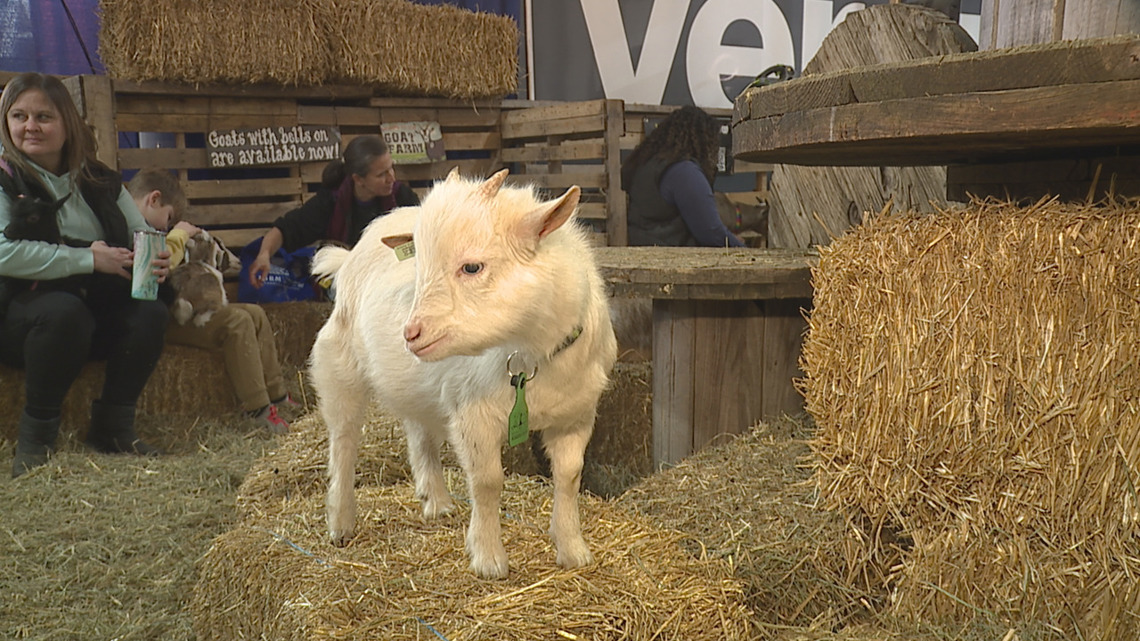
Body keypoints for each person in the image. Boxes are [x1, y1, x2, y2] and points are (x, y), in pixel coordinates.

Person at [0, 73, 171, 477]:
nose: (30, 126)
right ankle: (36, 439)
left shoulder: (99, 179)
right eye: (19, 115)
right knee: (63, 311)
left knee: (151, 312)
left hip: (90, 312)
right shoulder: (4, 177)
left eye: (44, 116)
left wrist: (158, 262)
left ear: (68, 124)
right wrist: (86, 258)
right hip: (19, 315)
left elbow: (139, 235)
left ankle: (113, 426)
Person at [127, 168, 296, 434]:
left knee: (254, 313)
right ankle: (257, 408)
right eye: (169, 217)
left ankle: (278, 396)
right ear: (154, 200)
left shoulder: (146, 226)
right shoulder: (131, 228)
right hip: (156, 319)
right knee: (237, 321)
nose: (166, 225)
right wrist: (179, 235)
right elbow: (156, 266)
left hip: (171, 309)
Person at [247, 134, 419, 289]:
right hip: (347, 280)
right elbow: (286, 229)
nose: (392, 178)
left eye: (391, 168)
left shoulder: (402, 198)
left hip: (391, 276)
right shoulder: (330, 203)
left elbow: (422, 235)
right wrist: (264, 255)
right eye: (382, 174)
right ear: (358, 179)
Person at [621, 105, 744, 248]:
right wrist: (748, 255)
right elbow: (711, 233)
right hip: (669, 256)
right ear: (705, 142)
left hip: (645, 248)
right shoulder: (684, 173)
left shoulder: (647, 162)